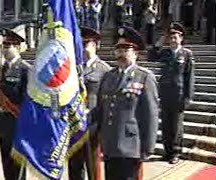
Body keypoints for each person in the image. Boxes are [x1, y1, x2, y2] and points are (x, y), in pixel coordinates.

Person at [98, 26, 159, 180]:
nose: (121, 54)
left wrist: (148, 147)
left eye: (126, 49)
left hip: (131, 146)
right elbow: (101, 109)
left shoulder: (144, 77)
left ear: (136, 53)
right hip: (110, 144)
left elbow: (150, 115)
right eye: (118, 50)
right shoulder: (108, 76)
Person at [68, 27, 111, 180]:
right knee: (74, 167)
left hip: (92, 127)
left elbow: (106, 103)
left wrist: (101, 128)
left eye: (86, 44)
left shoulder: (105, 70)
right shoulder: (73, 69)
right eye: (81, 43)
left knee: (93, 168)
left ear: (95, 45)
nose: (83, 47)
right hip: (74, 127)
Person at [0, 28, 30, 180]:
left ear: (17, 47)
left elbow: (28, 100)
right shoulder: (2, 69)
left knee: (18, 165)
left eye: (8, 45)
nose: (5, 49)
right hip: (3, 122)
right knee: (6, 162)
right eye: (4, 45)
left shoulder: (25, 69)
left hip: (17, 123)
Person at [158, 22, 195, 164]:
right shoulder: (165, 53)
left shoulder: (186, 54)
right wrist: (160, 41)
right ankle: (167, 152)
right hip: (165, 94)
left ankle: (175, 152)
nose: (173, 40)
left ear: (181, 39)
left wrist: (188, 97)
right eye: (171, 37)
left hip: (179, 95)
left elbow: (190, 77)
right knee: (166, 125)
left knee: (176, 126)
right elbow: (151, 56)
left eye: (176, 37)